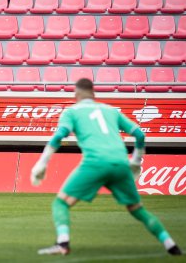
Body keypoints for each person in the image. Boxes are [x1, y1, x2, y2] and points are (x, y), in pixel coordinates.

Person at [30, 78, 182, 256]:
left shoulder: (71, 112)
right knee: (137, 209)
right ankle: (171, 245)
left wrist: (42, 163)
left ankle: (62, 244)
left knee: (61, 202)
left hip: (94, 163)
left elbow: (59, 137)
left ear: (76, 95)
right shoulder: (110, 110)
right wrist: (136, 160)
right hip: (121, 163)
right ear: (94, 94)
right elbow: (140, 135)